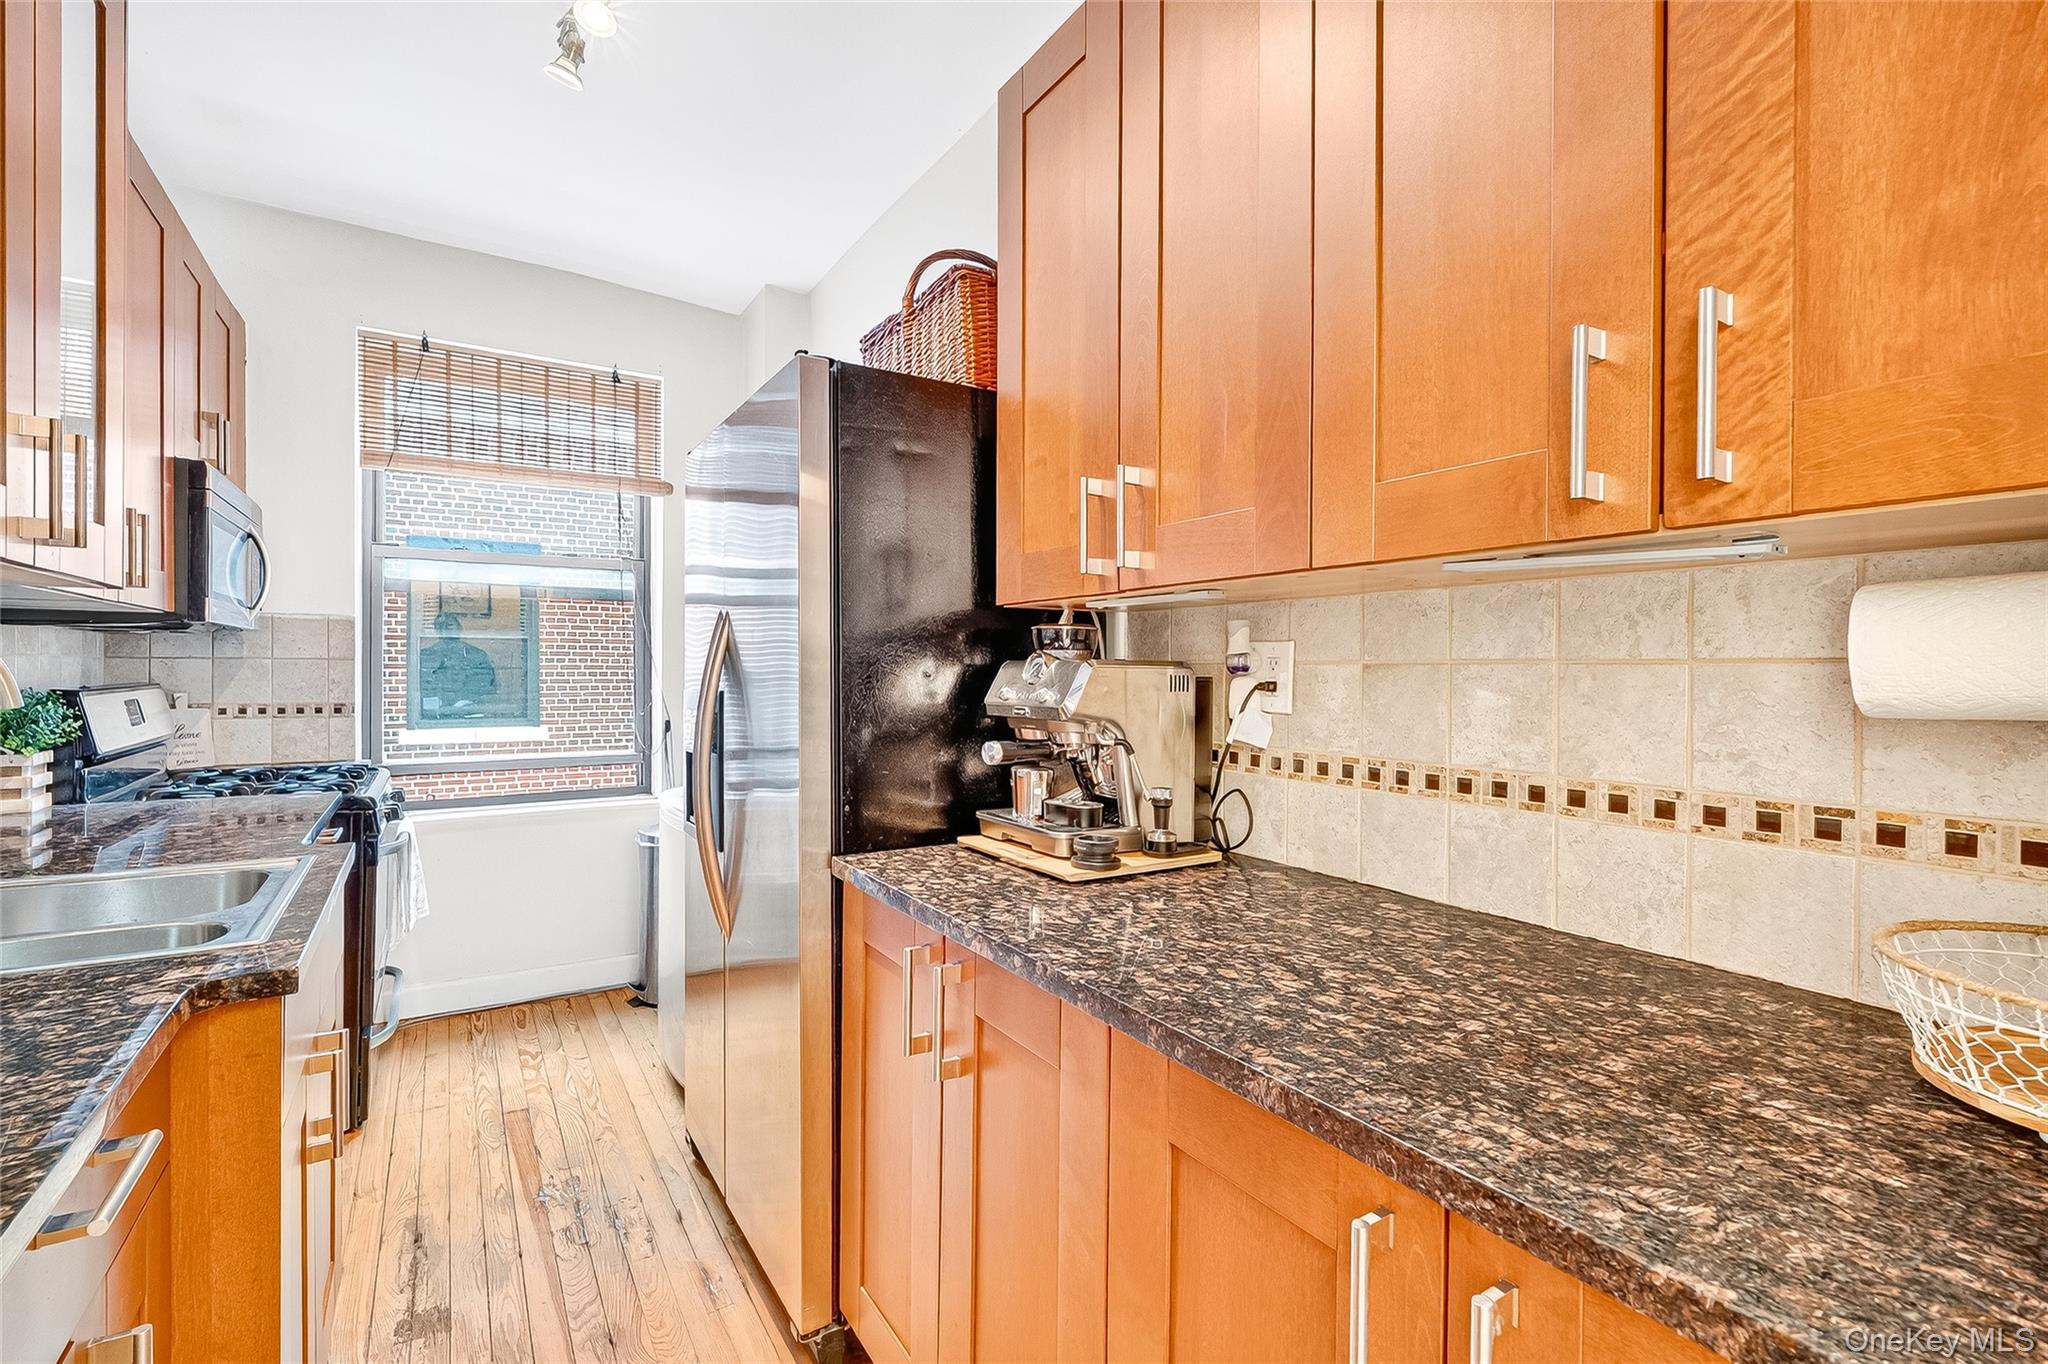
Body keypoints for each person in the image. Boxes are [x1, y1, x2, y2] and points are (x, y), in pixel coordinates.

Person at [419, 611, 497, 717]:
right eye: (440, 626)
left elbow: (486, 684)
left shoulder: (477, 655)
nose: (444, 629)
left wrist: (463, 702)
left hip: (469, 713)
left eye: (449, 625)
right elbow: (424, 686)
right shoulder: (427, 655)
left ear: (460, 628)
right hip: (436, 714)